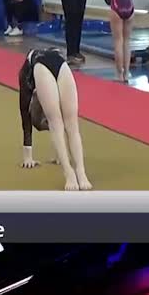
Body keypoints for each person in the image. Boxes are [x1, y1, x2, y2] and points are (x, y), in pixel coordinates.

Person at [18, 47, 92, 191]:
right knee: (58, 122)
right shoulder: (32, 85)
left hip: (45, 63)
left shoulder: (25, 77)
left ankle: (81, 172)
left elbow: (25, 116)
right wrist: (28, 157)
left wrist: (28, 155)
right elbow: (27, 118)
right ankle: (70, 173)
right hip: (58, 60)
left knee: (68, 122)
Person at [101, 0, 134, 82]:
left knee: (118, 41)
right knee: (127, 41)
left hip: (116, 8)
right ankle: (127, 73)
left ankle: (119, 75)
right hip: (130, 8)